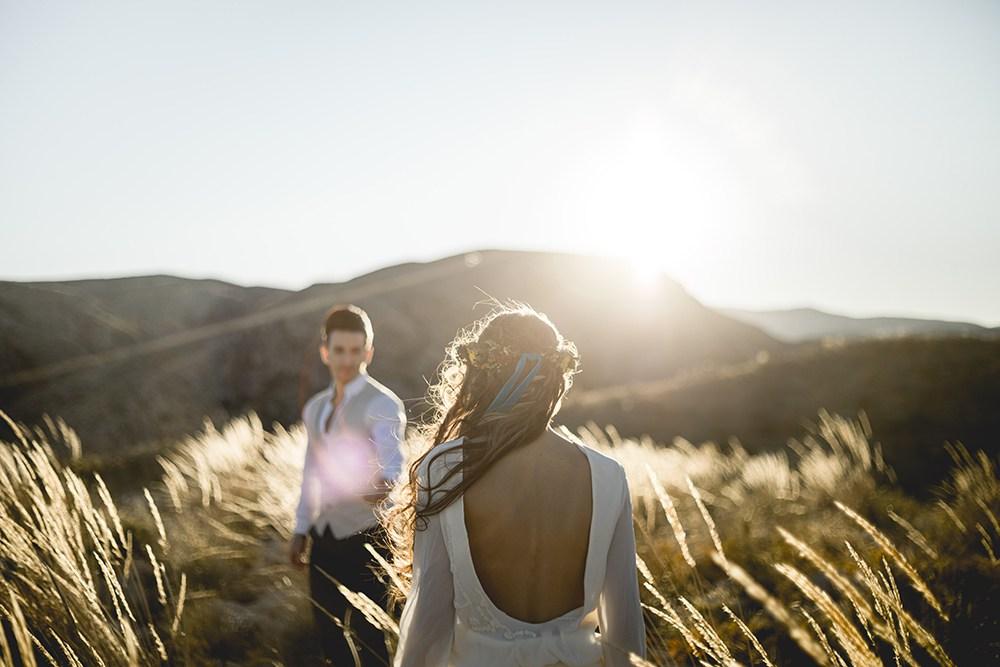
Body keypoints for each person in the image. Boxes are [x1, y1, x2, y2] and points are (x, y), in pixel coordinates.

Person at [381, 303, 646, 667]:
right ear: (556, 378)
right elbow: (625, 628)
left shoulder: (445, 467)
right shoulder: (608, 475)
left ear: (482, 375)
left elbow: (430, 617)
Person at [290, 304, 407, 666]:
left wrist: (385, 481)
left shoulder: (383, 403)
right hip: (323, 540)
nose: (347, 360)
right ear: (326, 352)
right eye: (340, 350)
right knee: (331, 641)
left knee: (373, 643)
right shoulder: (315, 408)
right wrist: (301, 529)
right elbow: (311, 470)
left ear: (368, 352)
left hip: (367, 538)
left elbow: (393, 459)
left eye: (357, 351)